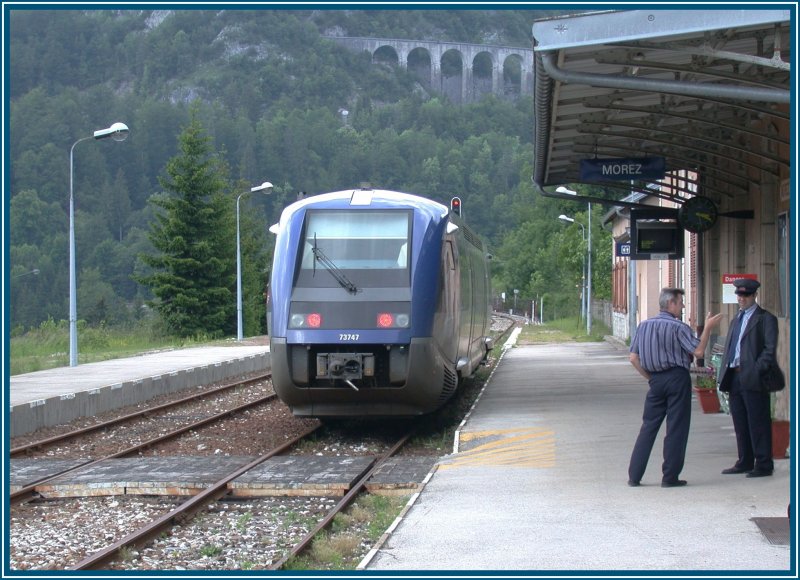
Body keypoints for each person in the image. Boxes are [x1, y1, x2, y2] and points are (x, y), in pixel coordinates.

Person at [627, 287, 722, 488]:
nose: (683, 306)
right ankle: (670, 476)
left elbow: (633, 358)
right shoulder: (679, 328)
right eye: (680, 303)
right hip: (677, 378)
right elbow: (698, 351)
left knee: (648, 426)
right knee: (676, 427)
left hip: (656, 380)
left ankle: (634, 475)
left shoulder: (643, 326)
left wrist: (650, 377)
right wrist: (707, 328)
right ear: (671, 303)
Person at [717, 278, 778, 478]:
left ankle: (763, 463)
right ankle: (745, 460)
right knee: (740, 422)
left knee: (757, 421)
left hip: (753, 377)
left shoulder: (765, 319)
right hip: (734, 376)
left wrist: (755, 369)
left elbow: (769, 350)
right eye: (739, 295)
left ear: (753, 296)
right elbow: (730, 347)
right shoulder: (737, 319)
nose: (740, 299)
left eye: (744, 295)